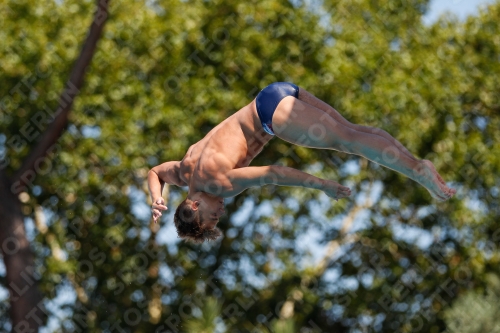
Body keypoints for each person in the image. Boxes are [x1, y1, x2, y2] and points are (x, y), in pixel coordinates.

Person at [147, 82, 456, 243]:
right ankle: (416, 165)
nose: (221, 212)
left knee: (347, 140)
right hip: (273, 94)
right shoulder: (185, 171)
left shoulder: (219, 184)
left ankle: (417, 170)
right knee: (352, 133)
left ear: (196, 206)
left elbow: (273, 173)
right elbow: (155, 171)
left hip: (271, 117)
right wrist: (156, 197)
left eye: (214, 218)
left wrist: (322, 185)